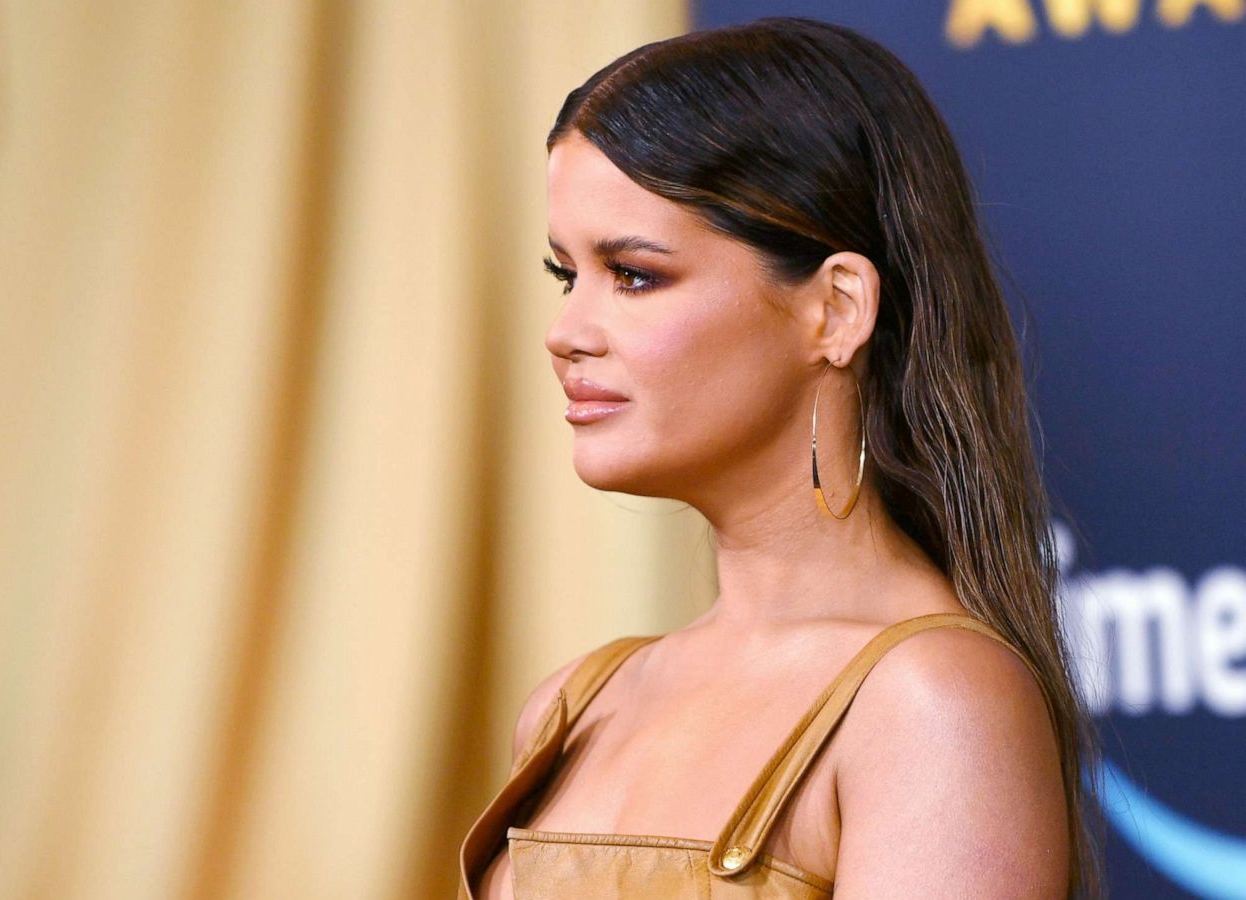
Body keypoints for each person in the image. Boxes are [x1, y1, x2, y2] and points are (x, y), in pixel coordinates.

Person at [457, 16, 1106, 900]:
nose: (566, 333)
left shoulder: (932, 702)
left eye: (635, 274)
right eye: (565, 274)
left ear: (836, 309)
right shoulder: (576, 703)